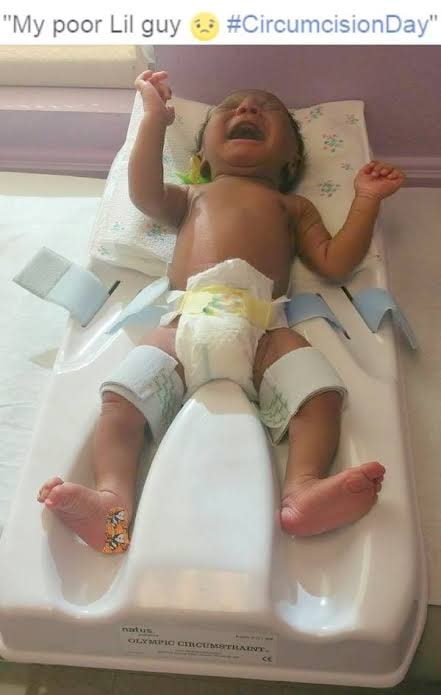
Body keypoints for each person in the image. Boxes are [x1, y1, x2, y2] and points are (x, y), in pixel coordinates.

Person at [38, 70, 406, 553]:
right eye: (230, 108)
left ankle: (303, 490)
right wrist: (154, 119)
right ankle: (112, 509)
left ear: (291, 160)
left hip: (264, 331)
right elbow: (144, 193)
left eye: (266, 109)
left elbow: (335, 262)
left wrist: (366, 202)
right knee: (120, 402)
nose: (247, 109)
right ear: (201, 159)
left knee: (320, 396)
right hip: (183, 326)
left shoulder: (293, 207)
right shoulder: (192, 195)